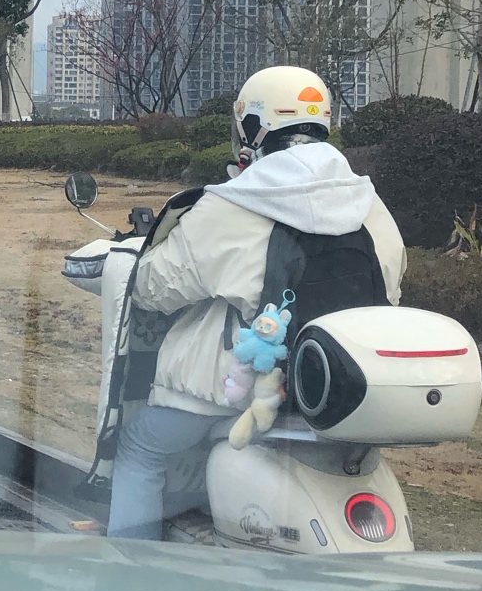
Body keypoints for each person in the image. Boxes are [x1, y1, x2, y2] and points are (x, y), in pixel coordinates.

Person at [106, 66, 406, 539]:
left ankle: (129, 569)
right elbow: (392, 286)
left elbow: (152, 288)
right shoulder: (369, 202)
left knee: (140, 449)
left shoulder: (233, 203)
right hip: (339, 393)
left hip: (236, 394)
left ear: (252, 129)